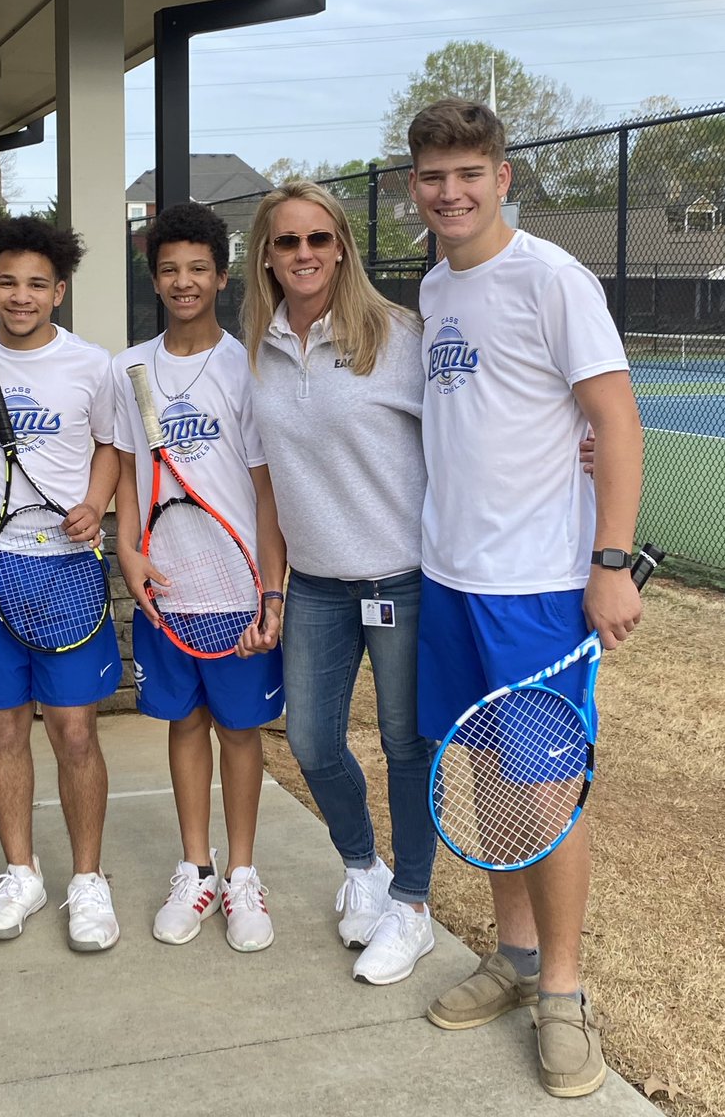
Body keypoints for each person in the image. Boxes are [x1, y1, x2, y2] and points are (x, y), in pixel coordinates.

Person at [408, 99, 643, 1099]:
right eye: (432, 177)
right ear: (414, 187)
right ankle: (508, 958)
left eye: (469, 172)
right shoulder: (432, 286)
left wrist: (611, 560)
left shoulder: (551, 277)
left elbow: (616, 420)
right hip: (449, 578)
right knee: (490, 783)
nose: (451, 192)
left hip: (538, 586)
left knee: (546, 794)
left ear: (504, 176)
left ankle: (562, 991)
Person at [240, 180, 439, 985]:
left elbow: (473, 429)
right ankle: (362, 869)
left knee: (404, 745)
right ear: (265, 256)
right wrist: (274, 586)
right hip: (317, 586)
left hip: (402, 580)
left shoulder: (398, 336)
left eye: (318, 239)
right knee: (313, 742)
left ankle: (414, 906)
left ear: (342, 248)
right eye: (286, 242)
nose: (304, 255)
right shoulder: (255, 350)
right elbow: (267, 487)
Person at [0, 215, 122, 953]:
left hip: (65, 569)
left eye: (36, 284)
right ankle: (21, 872)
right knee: (3, 727)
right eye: (7, 283)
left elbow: (110, 446)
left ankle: (87, 881)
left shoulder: (91, 364)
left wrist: (96, 502)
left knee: (75, 730)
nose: (20, 297)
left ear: (60, 291)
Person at [113, 202, 286, 953]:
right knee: (184, 726)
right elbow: (125, 476)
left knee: (240, 733)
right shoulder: (130, 369)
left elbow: (266, 490)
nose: (182, 282)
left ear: (220, 276)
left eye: (196, 269)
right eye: (168, 270)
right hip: (167, 590)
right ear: (154, 279)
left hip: (236, 589)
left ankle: (243, 874)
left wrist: (269, 588)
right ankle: (198, 869)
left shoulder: (247, 368)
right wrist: (127, 553)